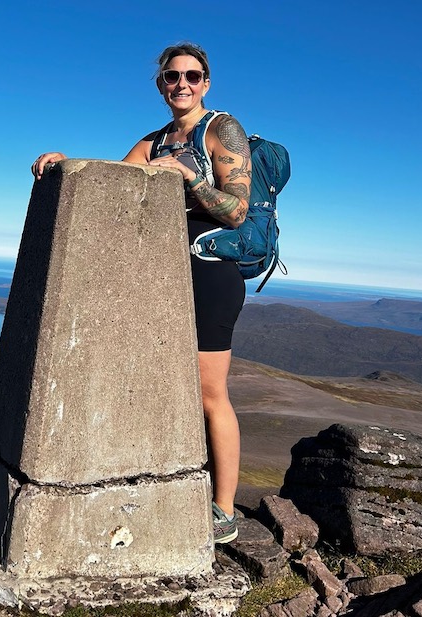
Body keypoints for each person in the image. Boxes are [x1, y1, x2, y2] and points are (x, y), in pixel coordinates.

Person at [31, 42, 250, 544]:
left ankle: (224, 510)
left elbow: (237, 211)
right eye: (172, 77)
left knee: (209, 394)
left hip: (211, 274)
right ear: (160, 85)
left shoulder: (222, 129)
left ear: (206, 82)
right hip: (158, 277)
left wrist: (190, 177)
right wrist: (64, 163)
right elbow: (113, 181)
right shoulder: (155, 141)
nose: (182, 84)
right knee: (161, 383)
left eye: (192, 76)